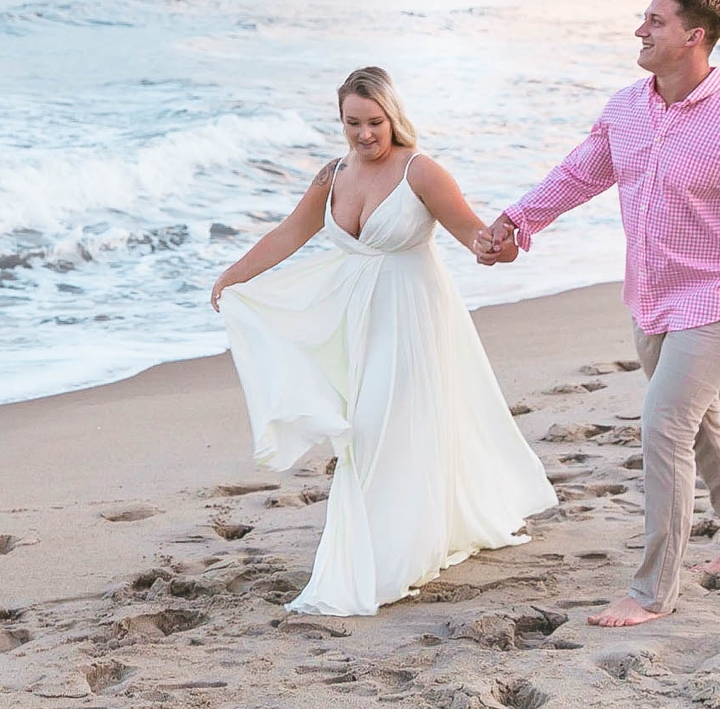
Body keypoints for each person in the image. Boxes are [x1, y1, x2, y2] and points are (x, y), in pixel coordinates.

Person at [475, 0, 720, 628]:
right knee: (700, 423)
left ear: (695, 36)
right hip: (650, 297)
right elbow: (580, 173)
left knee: (664, 428)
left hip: (716, 301)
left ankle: (655, 591)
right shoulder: (627, 108)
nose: (640, 31)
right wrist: (518, 221)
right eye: (643, 19)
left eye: (654, 22)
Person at [211, 66, 557, 617]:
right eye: (353, 123)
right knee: (366, 432)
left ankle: (384, 559)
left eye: (375, 122)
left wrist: (499, 246)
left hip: (413, 318)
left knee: (382, 429)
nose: (365, 134)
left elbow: (473, 235)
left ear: (393, 117)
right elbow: (288, 234)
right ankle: (394, 538)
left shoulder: (421, 172)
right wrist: (233, 276)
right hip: (355, 320)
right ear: (341, 120)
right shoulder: (332, 174)